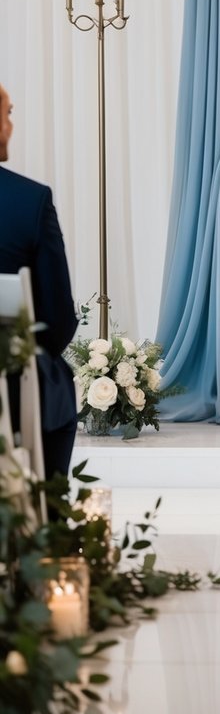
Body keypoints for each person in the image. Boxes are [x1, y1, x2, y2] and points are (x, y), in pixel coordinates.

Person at [0, 84, 78, 479]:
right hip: (10, 387)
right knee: (56, 385)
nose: (11, 125)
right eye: (8, 114)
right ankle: (43, 523)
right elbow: (59, 318)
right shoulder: (29, 201)